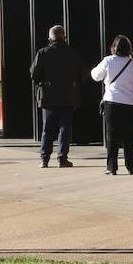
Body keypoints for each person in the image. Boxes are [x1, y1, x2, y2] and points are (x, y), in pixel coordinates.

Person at [29, 25, 86, 168]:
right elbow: (83, 74)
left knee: (47, 129)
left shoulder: (43, 53)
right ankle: (62, 158)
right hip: (68, 96)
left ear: (50, 39)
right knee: (64, 128)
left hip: (48, 96)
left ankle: (44, 159)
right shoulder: (73, 53)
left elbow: (34, 74)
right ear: (64, 37)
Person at [91, 35, 133, 175]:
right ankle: (132, 166)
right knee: (130, 137)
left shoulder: (108, 61)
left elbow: (95, 76)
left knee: (112, 136)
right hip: (130, 104)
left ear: (114, 47)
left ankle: (112, 167)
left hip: (112, 102)